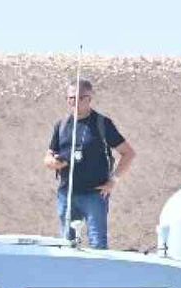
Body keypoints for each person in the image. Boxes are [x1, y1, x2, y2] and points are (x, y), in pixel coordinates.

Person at [45, 79, 135, 250]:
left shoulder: (102, 124)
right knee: (66, 244)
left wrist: (112, 182)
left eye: (80, 98)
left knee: (97, 244)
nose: (74, 102)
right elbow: (48, 156)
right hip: (67, 194)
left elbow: (128, 153)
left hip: (95, 195)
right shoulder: (62, 125)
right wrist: (53, 163)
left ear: (90, 98)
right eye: (70, 98)